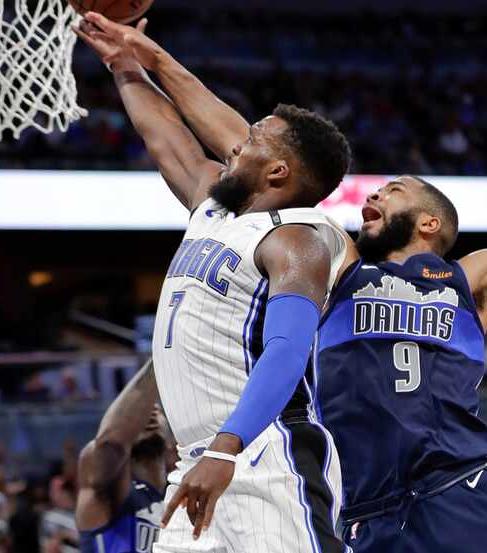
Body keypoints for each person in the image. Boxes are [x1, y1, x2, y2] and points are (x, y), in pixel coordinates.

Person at [91, 17, 487, 551]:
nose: (374, 193)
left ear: (429, 220)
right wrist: (156, 62)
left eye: (392, 189)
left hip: (463, 490)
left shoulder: (471, 281)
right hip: (367, 511)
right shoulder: (334, 263)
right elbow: (250, 146)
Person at [74, 13, 352, 553]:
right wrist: (126, 65)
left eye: (251, 140)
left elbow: (288, 350)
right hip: (199, 460)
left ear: (278, 174)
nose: (234, 145)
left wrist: (227, 451)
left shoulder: (299, 237)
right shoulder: (213, 208)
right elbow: (165, 138)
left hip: (266, 458)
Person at [76, 360, 168, 553]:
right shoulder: (109, 489)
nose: (148, 413)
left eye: (156, 410)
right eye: (139, 413)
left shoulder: (182, 494)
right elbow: (111, 443)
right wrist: (162, 356)